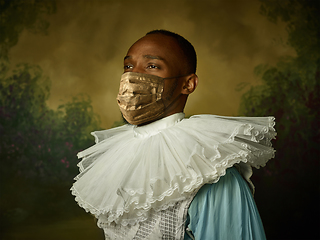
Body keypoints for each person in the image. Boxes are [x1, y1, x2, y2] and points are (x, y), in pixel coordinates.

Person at [71, 30, 276, 239]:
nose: (133, 76)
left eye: (152, 66)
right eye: (128, 66)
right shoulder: (116, 160)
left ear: (188, 84)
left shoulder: (211, 172)